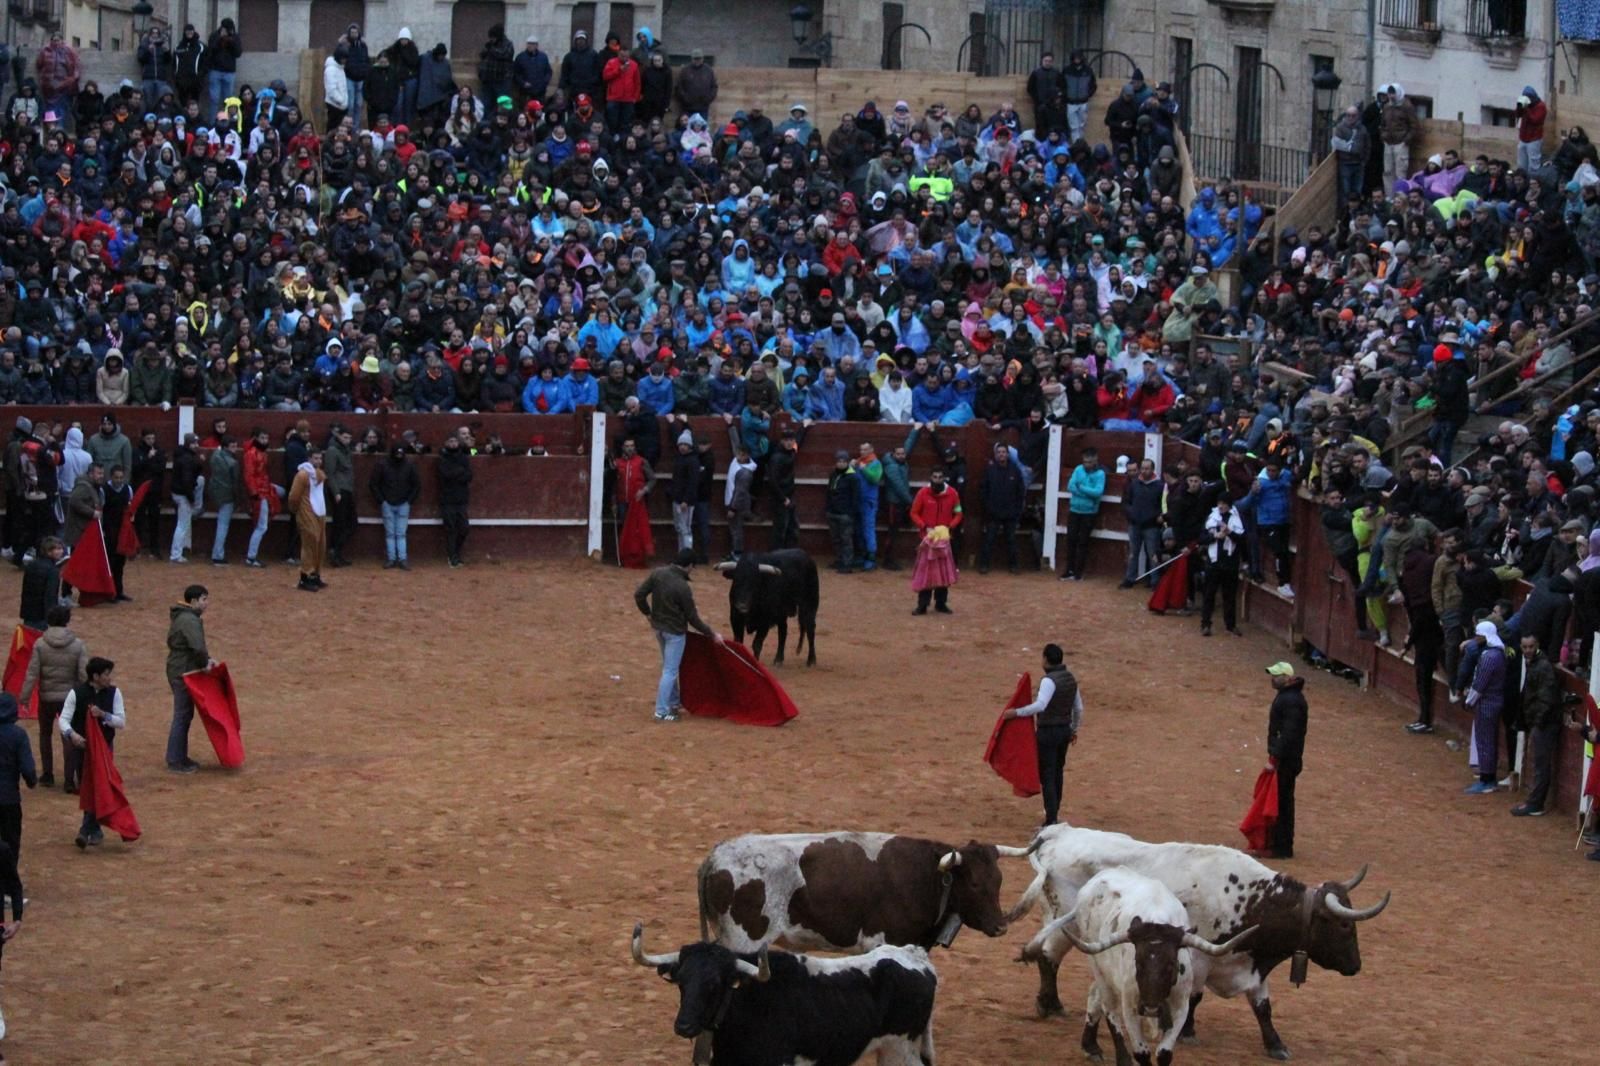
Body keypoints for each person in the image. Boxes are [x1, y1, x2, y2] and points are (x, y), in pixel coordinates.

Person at [633, 549, 721, 722]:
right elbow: (692, 618)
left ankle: (673, 703)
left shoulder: (658, 573)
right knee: (670, 670)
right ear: (689, 566)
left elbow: (639, 595)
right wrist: (711, 634)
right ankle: (661, 711)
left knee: (669, 666)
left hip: (659, 628)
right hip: (674, 633)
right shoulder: (682, 587)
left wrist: (648, 614)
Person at [1002, 643, 1082, 827]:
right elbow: (1078, 708)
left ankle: (1051, 819)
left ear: (1046, 659)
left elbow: (1040, 706)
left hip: (1048, 732)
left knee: (1047, 775)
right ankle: (1054, 813)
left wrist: (1016, 712)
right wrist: (1074, 730)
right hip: (1064, 731)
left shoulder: (1049, 681)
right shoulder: (1070, 679)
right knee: (1057, 772)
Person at [19, 603, 86, 791]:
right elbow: (83, 675)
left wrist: (24, 697)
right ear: (67, 620)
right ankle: (69, 780)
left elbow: (32, 674)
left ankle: (47, 774)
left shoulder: (40, 644)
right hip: (69, 698)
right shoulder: (77, 645)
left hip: (47, 697)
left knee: (45, 734)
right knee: (68, 737)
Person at [60, 656, 125, 849]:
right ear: (95, 676)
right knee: (88, 787)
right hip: (83, 747)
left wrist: (104, 715)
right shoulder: (77, 693)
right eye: (106, 674)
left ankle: (85, 830)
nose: (109, 678)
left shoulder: (114, 693)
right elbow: (63, 720)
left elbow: (121, 722)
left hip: (104, 748)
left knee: (98, 786)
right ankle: (94, 828)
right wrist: (72, 735)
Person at [1510, 634, 1563, 817]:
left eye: (1530, 646)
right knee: (1539, 762)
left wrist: (1537, 723)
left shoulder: (1542, 666)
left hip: (1544, 723)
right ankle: (1535, 801)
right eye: (1524, 647)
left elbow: (1546, 699)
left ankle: (1536, 803)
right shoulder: (1536, 664)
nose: (1527, 650)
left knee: (1541, 763)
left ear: (1537, 645)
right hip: (1540, 721)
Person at [165, 584, 212, 774]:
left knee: (184, 715)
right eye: (204, 599)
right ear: (193, 601)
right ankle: (175, 759)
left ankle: (179, 756)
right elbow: (198, 647)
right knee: (182, 715)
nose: (206, 603)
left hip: (180, 667)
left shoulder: (185, 617)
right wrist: (205, 663)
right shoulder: (189, 620)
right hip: (184, 671)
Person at [1263, 662, 1307, 860]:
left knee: (1282, 802)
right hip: (1288, 757)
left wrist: (1275, 757)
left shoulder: (1290, 700)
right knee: (1283, 801)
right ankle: (1280, 844)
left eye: (1277, 675)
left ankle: (1281, 847)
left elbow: (1288, 734)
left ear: (1287, 677)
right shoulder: (1290, 698)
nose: (1273, 679)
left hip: (1286, 760)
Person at [910, 466, 962, 614]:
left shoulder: (952, 493)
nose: (937, 480)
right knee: (926, 573)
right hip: (928, 539)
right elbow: (914, 513)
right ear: (930, 478)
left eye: (940, 477)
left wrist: (949, 526)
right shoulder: (923, 493)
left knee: (943, 573)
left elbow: (958, 513)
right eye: (935, 477)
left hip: (944, 540)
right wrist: (924, 526)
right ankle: (923, 604)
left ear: (944, 478)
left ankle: (941, 603)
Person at [1464, 620, 1508, 795]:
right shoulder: (1498, 654)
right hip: (1494, 701)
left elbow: (1480, 684)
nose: (1477, 638)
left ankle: (1487, 779)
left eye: (1479, 635)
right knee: (1488, 740)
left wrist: (1469, 701)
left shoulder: (1489, 657)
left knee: (1485, 740)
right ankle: (1488, 778)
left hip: (1487, 703)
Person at [369, 444, 419, 571]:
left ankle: (398, 559)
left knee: (397, 533)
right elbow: (374, 484)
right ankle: (396, 558)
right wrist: (382, 501)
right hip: (392, 503)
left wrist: (408, 501)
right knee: (394, 533)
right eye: (397, 454)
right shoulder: (407, 465)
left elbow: (416, 485)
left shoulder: (384, 465)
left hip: (400, 503)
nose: (399, 456)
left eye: (400, 454)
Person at [1200, 495, 1244, 637]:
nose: (1221, 506)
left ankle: (1230, 625)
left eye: (1224, 503)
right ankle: (1205, 624)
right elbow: (1202, 538)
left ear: (1229, 505)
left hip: (1230, 562)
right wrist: (1215, 536)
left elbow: (1242, 540)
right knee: (1209, 594)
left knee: (1229, 596)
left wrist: (1229, 533)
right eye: (1219, 503)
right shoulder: (1211, 518)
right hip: (1214, 562)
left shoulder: (1236, 519)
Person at [0, 692, 36, 861]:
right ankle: (9, 882)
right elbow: (27, 768)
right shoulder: (18, 735)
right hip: (9, 799)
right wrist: (31, 781)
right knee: (11, 841)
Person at [1059, 447, 1105, 581]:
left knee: (1083, 542)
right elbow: (1070, 486)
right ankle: (1069, 570)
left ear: (1095, 461)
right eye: (1084, 461)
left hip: (1089, 513)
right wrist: (1086, 492)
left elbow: (1098, 492)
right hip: (1075, 511)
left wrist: (1081, 488)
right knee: (1071, 540)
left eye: (1089, 462)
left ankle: (1078, 572)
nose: (1086, 464)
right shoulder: (1078, 469)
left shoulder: (1100, 474)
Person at [979, 442, 1024, 574]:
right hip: (994, 512)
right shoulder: (990, 470)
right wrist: (988, 507)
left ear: (1008, 454)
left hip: (1010, 513)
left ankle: (1014, 566)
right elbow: (983, 490)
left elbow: (1020, 492)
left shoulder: (1015, 470)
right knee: (989, 540)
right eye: (999, 452)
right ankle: (984, 565)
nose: (1001, 454)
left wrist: (1017, 510)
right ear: (995, 455)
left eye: (1003, 452)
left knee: (1011, 540)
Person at [289, 449, 331, 590]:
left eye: (320, 458)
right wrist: (296, 511)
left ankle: (315, 575)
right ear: (309, 459)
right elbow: (294, 497)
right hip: (307, 512)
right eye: (315, 458)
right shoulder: (302, 475)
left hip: (319, 512)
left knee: (320, 544)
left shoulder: (319, 474)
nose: (318, 461)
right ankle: (305, 577)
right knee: (310, 542)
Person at [1119, 457, 1162, 588]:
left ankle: (1154, 581)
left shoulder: (1159, 485)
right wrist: (1132, 515)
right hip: (1135, 524)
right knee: (1133, 553)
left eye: (1147, 468)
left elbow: (1163, 505)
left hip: (1151, 525)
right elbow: (1126, 502)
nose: (1144, 471)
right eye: (1142, 468)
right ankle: (1130, 578)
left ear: (1153, 469)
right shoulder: (1134, 484)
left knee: (1153, 554)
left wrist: (1156, 517)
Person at [242, 428, 280, 568]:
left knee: (261, 525)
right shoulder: (252, 454)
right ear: (256, 438)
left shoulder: (261, 453)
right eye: (262, 438)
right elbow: (249, 475)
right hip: (259, 493)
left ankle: (251, 557)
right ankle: (251, 557)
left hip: (264, 490)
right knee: (261, 526)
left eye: (266, 438)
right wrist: (254, 492)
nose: (265, 441)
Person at [324, 425, 357, 568]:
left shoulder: (345, 451)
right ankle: (334, 551)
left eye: (349, 438)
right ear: (339, 437)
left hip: (346, 490)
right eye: (345, 437)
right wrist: (336, 492)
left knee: (347, 523)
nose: (347, 440)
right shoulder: (333, 451)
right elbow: (330, 474)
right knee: (342, 523)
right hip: (339, 491)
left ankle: (335, 551)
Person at [438, 433, 472, 568]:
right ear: (446, 443)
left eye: (455, 441)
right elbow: (446, 475)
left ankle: (456, 553)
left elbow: (469, 476)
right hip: (447, 499)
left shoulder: (464, 457)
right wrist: (460, 472)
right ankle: (452, 557)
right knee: (451, 529)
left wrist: (455, 473)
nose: (453, 444)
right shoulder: (442, 458)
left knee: (464, 528)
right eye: (450, 441)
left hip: (461, 499)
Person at [206, 437, 243, 565]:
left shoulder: (215, 455)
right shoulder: (233, 463)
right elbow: (235, 484)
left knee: (221, 524)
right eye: (232, 446)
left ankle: (217, 554)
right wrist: (238, 500)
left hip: (215, 493)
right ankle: (217, 555)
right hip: (227, 496)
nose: (235, 448)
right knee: (223, 525)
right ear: (227, 446)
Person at [169, 433, 204, 563]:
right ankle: (175, 554)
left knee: (182, 524)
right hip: (183, 494)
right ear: (189, 444)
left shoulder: (183, 456)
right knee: (182, 525)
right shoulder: (188, 460)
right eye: (194, 443)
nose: (197, 445)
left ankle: (176, 553)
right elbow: (187, 481)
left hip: (178, 492)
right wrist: (191, 498)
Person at [101, 466, 133, 601]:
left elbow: (130, 508)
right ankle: (109, 592)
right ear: (111, 477)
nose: (119, 480)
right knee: (110, 562)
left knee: (120, 562)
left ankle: (118, 591)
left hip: (121, 530)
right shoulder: (104, 490)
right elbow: (101, 510)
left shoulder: (128, 489)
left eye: (121, 478)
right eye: (116, 477)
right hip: (109, 530)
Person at [18, 536, 64, 630]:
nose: (61, 551)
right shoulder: (53, 570)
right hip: (41, 615)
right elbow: (50, 596)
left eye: (61, 548)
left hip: (29, 612)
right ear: (48, 551)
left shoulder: (31, 564)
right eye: (57, 549)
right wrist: (52, 618)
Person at [825, 450, 859, 573]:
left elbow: (856, 497)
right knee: (836, 539)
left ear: (847, 462)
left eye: (843, 461)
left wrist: (851, 513)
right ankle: (840, 560)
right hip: (833, 512)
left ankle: (847, 564)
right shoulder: (833, 474)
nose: (841, 463)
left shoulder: (853, 477)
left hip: (845, 514)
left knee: (846, 540)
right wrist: (828, 509)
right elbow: (829, 492)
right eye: (839, 461)